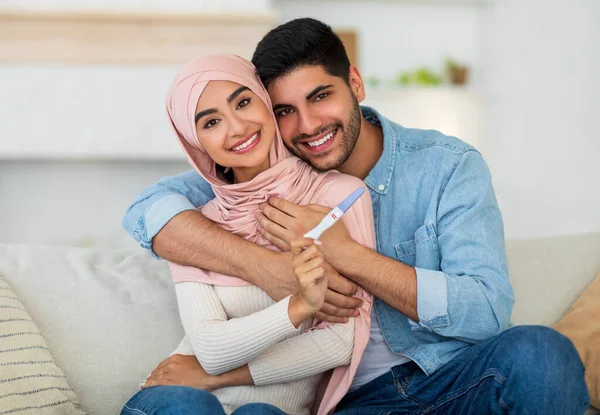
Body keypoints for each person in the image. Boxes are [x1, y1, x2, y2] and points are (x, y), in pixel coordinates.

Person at [123, 18, 589, 415]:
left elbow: (486, 311)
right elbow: (149, 212)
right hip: (352, 402)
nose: (308, 126)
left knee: (542, 353)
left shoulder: (446, 166)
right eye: (285, 110)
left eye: (321, 96)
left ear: (356, 85)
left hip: (453, 381)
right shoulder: (258, 175)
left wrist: (345, 254)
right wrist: (271, 270)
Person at [121, 54, 376, 415]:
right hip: (177, 400)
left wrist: (218, 378)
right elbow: (209, 348)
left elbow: (342, 341)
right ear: (198, 146)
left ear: (266, 103)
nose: (237, 127)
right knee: (189, 405)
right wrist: (300, 306)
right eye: (211, 122)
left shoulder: (337, 197)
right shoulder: (196, 226)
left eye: (243, 102)